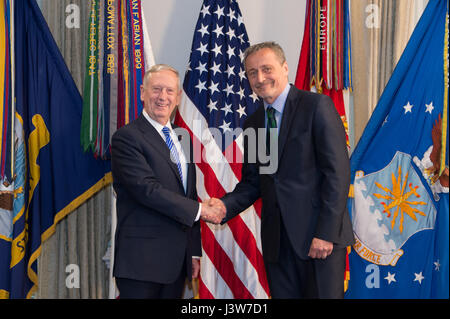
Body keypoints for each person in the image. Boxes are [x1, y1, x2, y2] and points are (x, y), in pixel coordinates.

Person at [208, 42, 354, 298]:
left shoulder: (316, 106)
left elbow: (337, 174)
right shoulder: (253, 122)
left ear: (285, 68)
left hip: (318, 240)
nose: (260, 78)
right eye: (252, 73)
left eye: (267, 69)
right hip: (278, 245)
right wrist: (224, 205)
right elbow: (254, 182)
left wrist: (325, 233)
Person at [111, 64, 224, 299]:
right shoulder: (127, 137)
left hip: (176, 264)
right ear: (142, 92)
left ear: (178, 97)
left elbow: (188, 195)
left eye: (169, 91)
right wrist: (202, 210)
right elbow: (147, 190)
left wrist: (192, 251)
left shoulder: (182, 139)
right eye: (156, 89)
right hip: (141, 263)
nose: (163, 97)